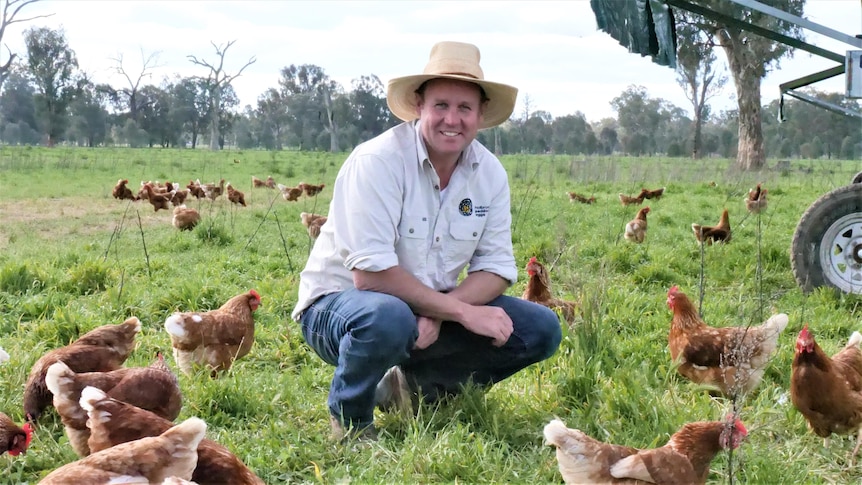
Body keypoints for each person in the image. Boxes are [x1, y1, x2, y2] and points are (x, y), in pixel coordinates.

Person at [291, 41, 562, 441]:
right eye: (441, 105)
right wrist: (463, 313)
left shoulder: (489, 175)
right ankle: (350, 421)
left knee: (540, 328)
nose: (452, 119)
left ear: (481, 114)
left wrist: (442, 313)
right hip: (341, 308)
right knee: (387, 317)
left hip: (427, 312)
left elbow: (496, 269)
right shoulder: (377, 162)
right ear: (419, 105)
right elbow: (370, 276)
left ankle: (417, 387)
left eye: (464, 108)